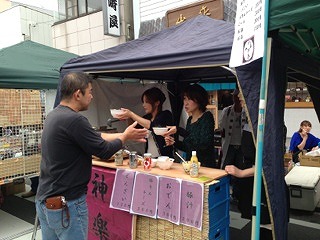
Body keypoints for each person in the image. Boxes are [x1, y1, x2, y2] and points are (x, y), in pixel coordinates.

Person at [35, 72, 147, 240]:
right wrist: (124, 138)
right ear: (77, 94)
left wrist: (125, 134)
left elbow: (95, 137)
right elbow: (104, 150)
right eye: (90, 91)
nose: (92, 96)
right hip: (67, 204)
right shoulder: (75, 120)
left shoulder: (54, 115)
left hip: (46, 200)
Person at [224, 91, 272, 240]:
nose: (238, 96)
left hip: (266, 186)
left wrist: (241, 173)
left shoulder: (269, 124)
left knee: (266, 226)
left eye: (242, 91)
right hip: (252, 181)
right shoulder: (250, 121)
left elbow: (269, 164)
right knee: (256, 224)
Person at [163, 84, 216, 168]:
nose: (185, 103)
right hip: (191, 166)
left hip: (205, 166)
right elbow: (188, 146)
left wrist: (179, 130)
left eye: (189, 99)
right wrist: (174, 143)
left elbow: (203, 144)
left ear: (199, 99)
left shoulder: (207, 117)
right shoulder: (189, 120)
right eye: (184, 99)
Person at [116, 87, 174, 158]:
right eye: (143, 102)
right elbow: (134, 128)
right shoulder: (147, 117)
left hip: (164, 158)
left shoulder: (166, 114)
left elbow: (152, 125)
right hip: (149, 157)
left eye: (146, 102)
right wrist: (129, 117)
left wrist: (131, 114)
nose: (144, 105)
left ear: (157, 103)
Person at [219, 89, 247, 169]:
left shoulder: (247, 112)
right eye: (234, 96)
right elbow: (222, 127)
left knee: (241, 169)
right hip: (229, 145)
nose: (236, 99)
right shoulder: (226, 111)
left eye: (238, 96)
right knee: (226, 167)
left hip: (242, 147)